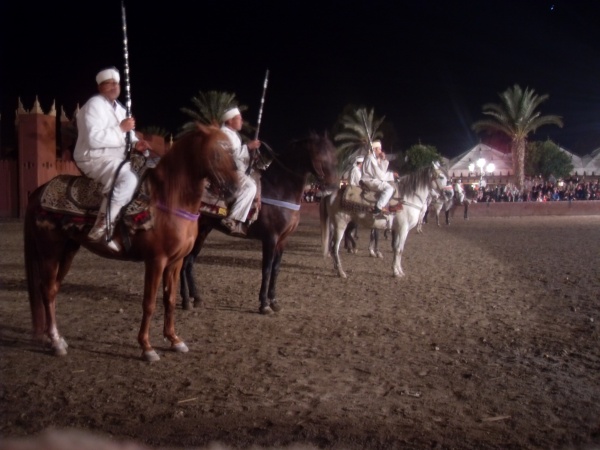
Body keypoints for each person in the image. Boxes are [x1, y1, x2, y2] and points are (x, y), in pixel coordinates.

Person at [74, 67, 151, 251]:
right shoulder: (93, 105)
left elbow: (129, 136)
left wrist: (137, 144)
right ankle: (101, 228)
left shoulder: (120, 109)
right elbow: (93, 139)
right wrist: (121, 129)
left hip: (117, 158)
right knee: (128, 179)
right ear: (100, 86)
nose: (115, 87)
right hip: (95, 157)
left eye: (117, 83)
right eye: (109, 84)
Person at [219, 107, 261, 237]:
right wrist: (248, 147)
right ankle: (231, 219)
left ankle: (250, 217)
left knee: (257, 181)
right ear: (230, 121)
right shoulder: (223, 134)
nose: (242, 121)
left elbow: (239, 156)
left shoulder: (234, 136)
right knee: (250, 187)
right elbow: (229, 155)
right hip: (227, 170)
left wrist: (251, 155)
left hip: (238, 169)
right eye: (239, 119)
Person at [361, 140, 397, 215]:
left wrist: (383, 160)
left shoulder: (375, 159)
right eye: (379, 149)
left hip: (374, 179)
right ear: (374, 149)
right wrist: (392, 175)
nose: (381, 151)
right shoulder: (370, 158)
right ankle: (378, 208)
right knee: (389, 188)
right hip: (369, 180)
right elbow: (380, 175)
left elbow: (382, 171)